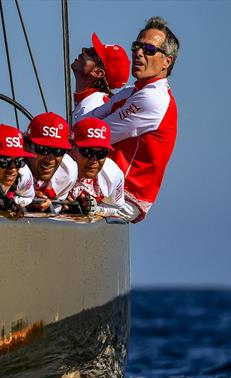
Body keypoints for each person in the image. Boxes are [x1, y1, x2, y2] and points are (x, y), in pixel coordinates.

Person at [84, 16, 179, 223]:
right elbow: (88, 122)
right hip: (105, 186)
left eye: (149, 49)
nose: (139, 52)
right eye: (136, 46)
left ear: (166, 61)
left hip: (123, 199)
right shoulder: (132, 91)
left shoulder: (154, 97)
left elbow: (97, 135)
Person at [61, 117, 125, 217]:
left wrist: (95, 209)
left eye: (101, 153)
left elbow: (116, 207)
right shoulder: (55, 164)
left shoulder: (113, 174)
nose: (94, 160)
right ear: (71, 146)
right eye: (87, 152)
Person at [19, 112, 75, 213]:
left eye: (59, 151)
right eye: (43, 149)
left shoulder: (69, 171)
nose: (50, 159)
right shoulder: (10, 167)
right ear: (26, 146)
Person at [71, 33, 130, 124]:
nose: (83, 51)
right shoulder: (88, 101)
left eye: (91, 53)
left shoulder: (97, 105)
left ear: (98, 73)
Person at [0, 124, 36, 211]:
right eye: (5, 161)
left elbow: (29, 197)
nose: (13, 169)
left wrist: (13, 201)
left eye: (18, 160)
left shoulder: (23, 174)